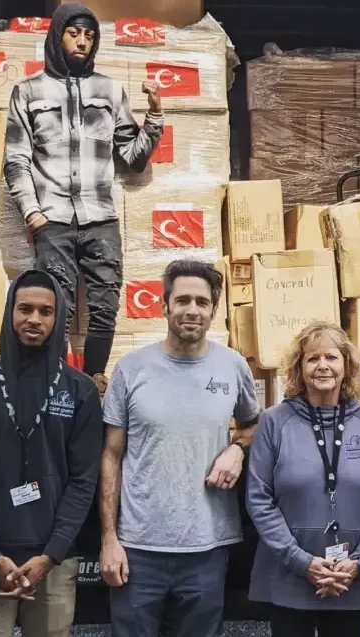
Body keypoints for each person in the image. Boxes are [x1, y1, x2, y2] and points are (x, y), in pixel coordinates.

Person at [3, 2, 165, 393]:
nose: (82, 42)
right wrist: (33, 214)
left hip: (101, 218)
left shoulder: (110, 91)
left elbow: (132, 157)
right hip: (52, 219)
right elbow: (16, 160)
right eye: (74, 33)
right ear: (57, 36)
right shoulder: (28, 91)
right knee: (57, 308)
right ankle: (59, 385)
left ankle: (93, 381)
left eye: (90, 36)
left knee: (106, 305)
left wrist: (155, 115)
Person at [98, 259, 262, 637]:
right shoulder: (132, 369)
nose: (192, 310)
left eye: (202, 302)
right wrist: (109, 539)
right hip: (138, 548)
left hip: (207, 548)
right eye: (183, 300)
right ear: (164, 305)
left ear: (213, 311)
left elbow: (254, 425)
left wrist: (237, 449)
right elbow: (112, 456)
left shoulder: (232, 366)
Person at [0, 269, 103, 637]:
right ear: (10, 314)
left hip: (53, 561)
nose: (34, 319)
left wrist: (50, 556)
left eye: (46, 311)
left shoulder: (80, 391)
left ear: (57, 318)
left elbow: (83, 481)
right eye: (25, 309)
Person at [246, 322, 360, 637]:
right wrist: (300, 561)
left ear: (347, 366)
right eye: (312, 358)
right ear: (299, 368)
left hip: (350, 576)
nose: (323, 366)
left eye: (331, 357)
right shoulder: (274, 422)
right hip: (289, 574)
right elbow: (258, 498)